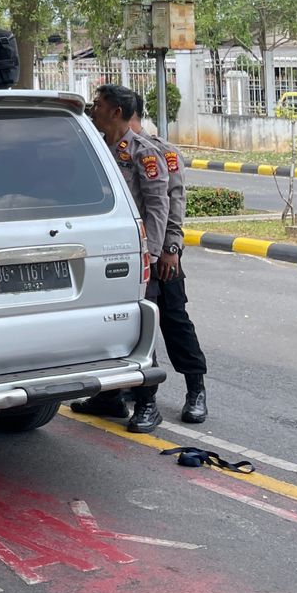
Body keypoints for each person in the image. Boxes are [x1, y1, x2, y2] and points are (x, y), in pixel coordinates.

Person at [76, 83, 171, 434]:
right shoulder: (96, 148)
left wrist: (152, 253)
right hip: (100, 253)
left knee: (137, 330)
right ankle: (108, 397)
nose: (93, 109)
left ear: (116, 111)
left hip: (134, 256)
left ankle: (147, 404)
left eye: (98, 104)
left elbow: (159, 206)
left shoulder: (144, 153)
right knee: (105, 326)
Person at [128, 93, 209, 424]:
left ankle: (196, 390)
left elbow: (173, 203)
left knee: (174, 321)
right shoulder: (108, 150)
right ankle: (123, 395)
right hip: (128, 256)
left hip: (162, 255)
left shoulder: (161, 152)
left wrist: (170, 249)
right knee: (131, 325)